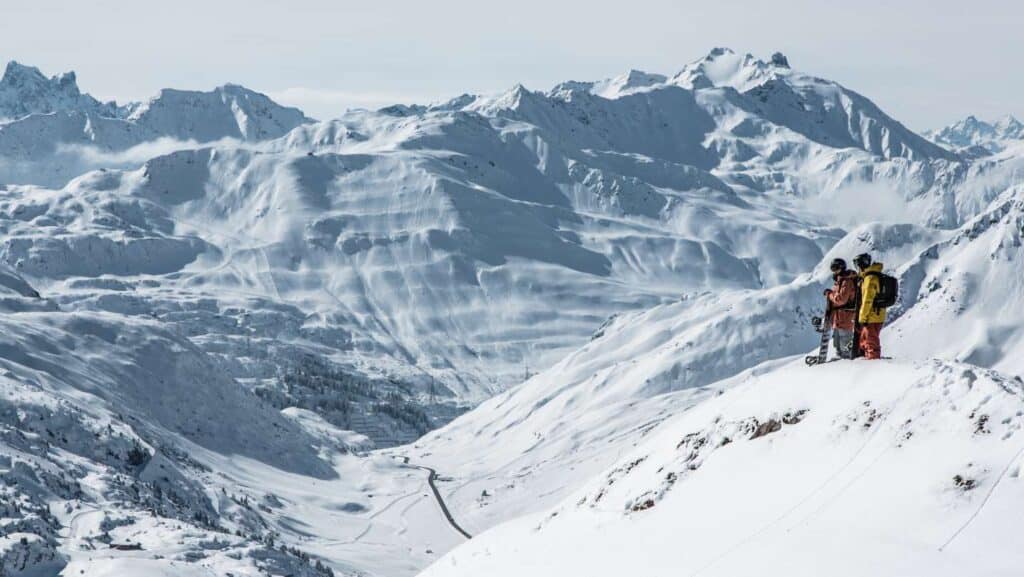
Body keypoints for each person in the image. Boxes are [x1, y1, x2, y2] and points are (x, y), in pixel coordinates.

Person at [854, 253, 886, 360]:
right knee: (864, 340)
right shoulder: (872, 276)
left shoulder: (870, 278)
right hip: (876, 314)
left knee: (871, 341)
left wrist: (862, 317)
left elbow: (867, 300)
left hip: (872, 315)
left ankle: (873, 363)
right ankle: (868, 359)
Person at [825, 258, 858, 359]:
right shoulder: (839, 281)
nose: (834, 271)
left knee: (845, 343)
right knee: (837, 343)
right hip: (838, 317)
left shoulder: (846, 281)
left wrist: (829, 294)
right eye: (832, 269)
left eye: (836, 268)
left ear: (841, 268)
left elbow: (841, 299)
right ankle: (840, 363)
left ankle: (847, 365)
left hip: (846, 316)